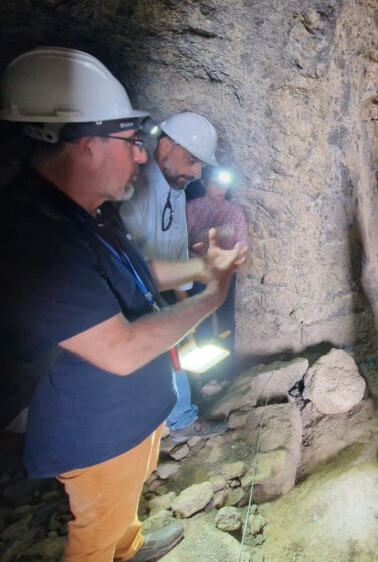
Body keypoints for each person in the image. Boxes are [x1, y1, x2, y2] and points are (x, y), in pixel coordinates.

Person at [0, 47, 246, 562]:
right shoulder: (36, 237)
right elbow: (121, 349)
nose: (140, 154)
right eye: (131, 141)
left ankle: (128, 547)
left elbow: (139, 272)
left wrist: (202, 269)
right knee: (94, 532)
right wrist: (211, 297)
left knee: (119, 505)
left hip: (124, 416)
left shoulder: (83, 213)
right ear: (85, 145)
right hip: (93, 427)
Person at [120, 111, 227, 444]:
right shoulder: (130, 187)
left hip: (159, 292)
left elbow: (179, 250)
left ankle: (179, 420)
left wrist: (183, 311)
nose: (196, 174)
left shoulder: (177, 193)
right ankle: (148, 433)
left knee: (176, 350)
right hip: (128, 298)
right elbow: (125, 262)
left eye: (200, 167)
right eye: (193, 161)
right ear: (165, 146)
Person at [186, 166, 248, 353]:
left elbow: (242, 242)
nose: (221, 189)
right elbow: (183, 241)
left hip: (225, 274)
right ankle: (203, 372)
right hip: (200, 273)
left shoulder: (234, 212)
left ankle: (225, 368)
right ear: (204, 183)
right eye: (215, 184)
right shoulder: (192, 209)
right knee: (200, 317)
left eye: (224, 185)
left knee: (225, 318)